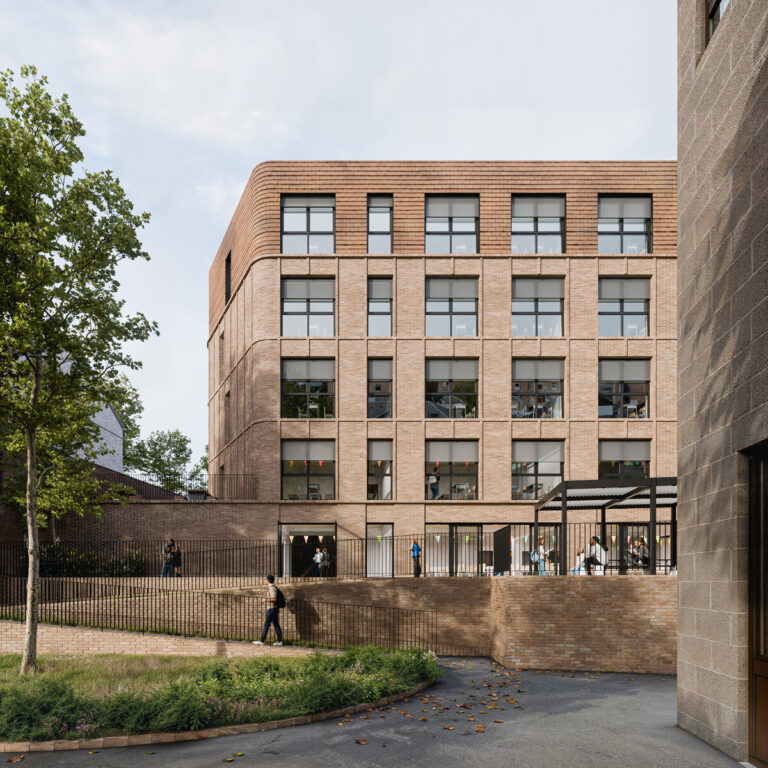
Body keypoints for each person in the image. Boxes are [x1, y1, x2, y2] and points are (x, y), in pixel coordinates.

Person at [253, 574, 283, 646]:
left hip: (272, 609)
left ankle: (261, 641)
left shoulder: (272, 588)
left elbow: (274, 599)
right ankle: (280, 642)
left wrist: (265, 600)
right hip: (274, 609)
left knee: (266, 625)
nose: (266, 581)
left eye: (266, 579)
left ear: (268, 580)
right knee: (276, 625)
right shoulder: (271, 588)